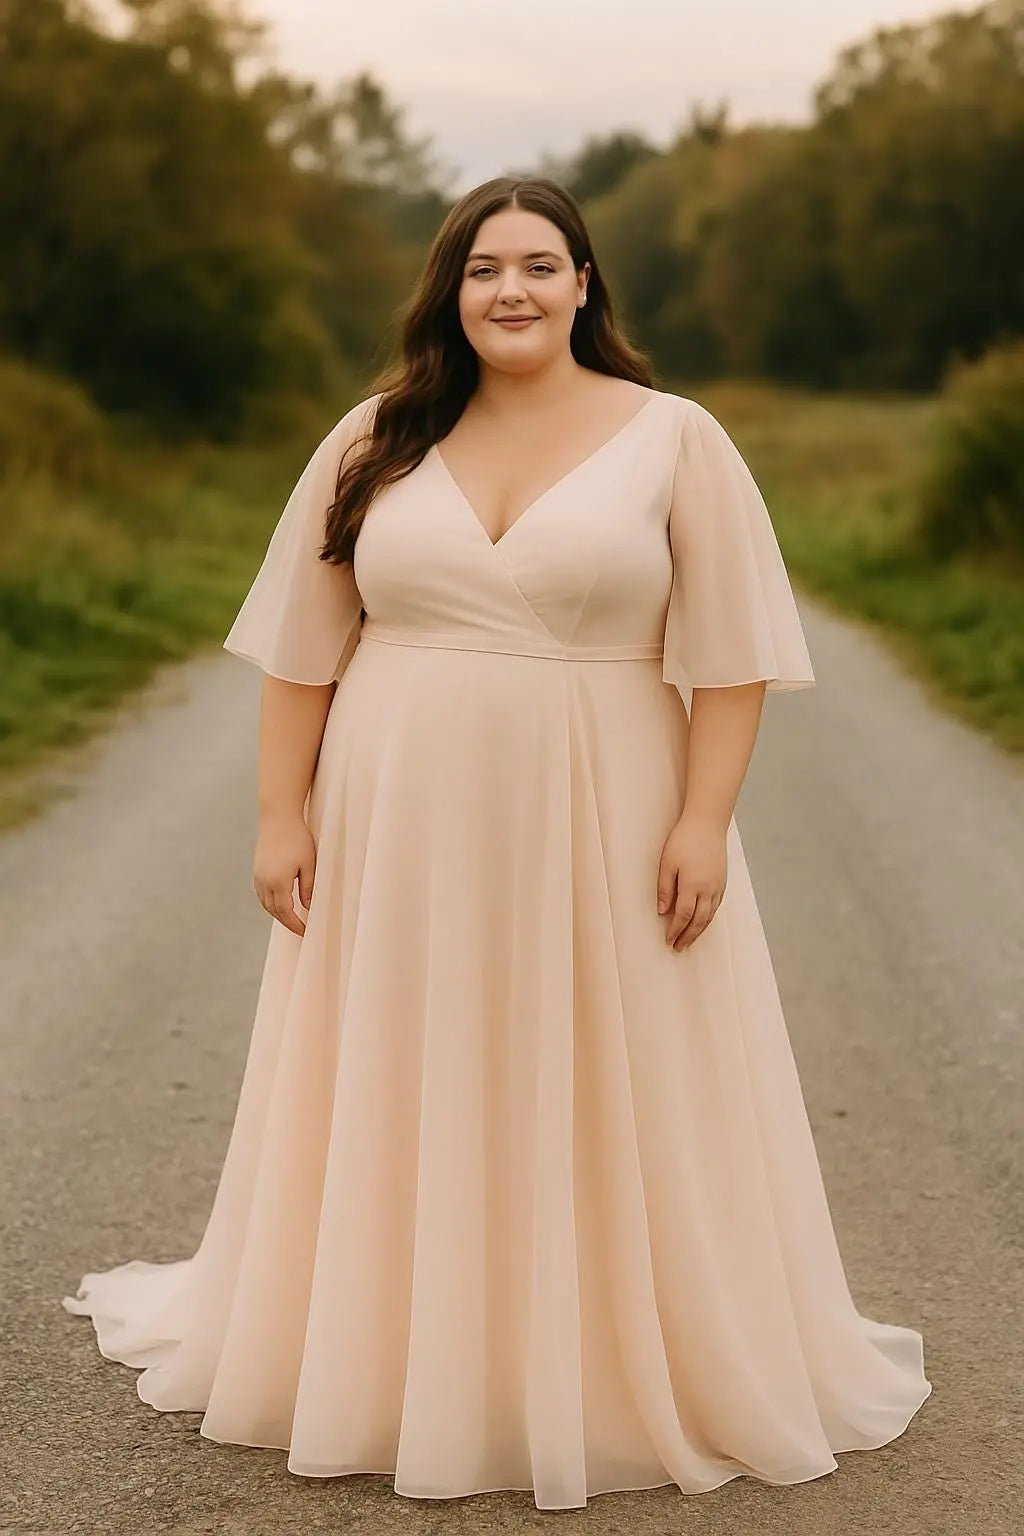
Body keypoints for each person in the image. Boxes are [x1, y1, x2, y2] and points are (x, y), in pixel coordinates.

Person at [63, 175, 931, 1512]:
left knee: (604, 1061)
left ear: (586, 284)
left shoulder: (674, 439)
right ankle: (399, 1348)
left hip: (611, 798)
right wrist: (279, 813)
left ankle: (593, 1359)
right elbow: (304, 652)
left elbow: (735, 662)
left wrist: (703, 821)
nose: (510, 290)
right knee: (414, 1055)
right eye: (482, 269)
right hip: (397, 809)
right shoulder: (379, 437)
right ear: (450, 293)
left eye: (538, 264)